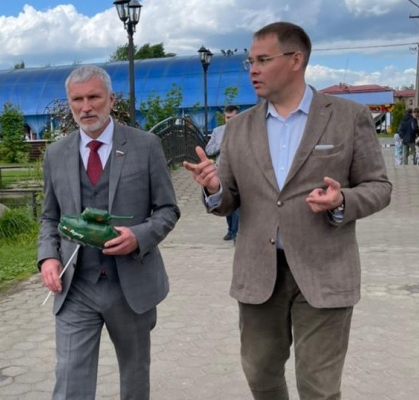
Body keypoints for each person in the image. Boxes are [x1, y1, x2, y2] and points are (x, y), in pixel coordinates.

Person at [183, 22, 391, 399]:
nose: (253, 70)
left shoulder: (348, 116)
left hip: (324, 271)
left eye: (263, 60)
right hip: (259, 274)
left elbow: (379, 187)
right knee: (260, 374)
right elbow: (228, 199)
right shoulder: (239, 128)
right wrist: (213, 188)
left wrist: (343, 201)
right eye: (250, 61)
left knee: (318, 387)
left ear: (296, 60)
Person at [38, 65, 180, 400]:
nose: (86, 107)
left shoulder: (146, 146)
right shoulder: (56, 154)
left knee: (134, 377)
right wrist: (47, 258)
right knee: (70, 379)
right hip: (76, 285)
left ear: (111, 99)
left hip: (130, 285)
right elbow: (49, 217)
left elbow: (168, 210)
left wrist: (138, 236)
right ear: (70, 104)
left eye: (94, 97)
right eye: (77, 100)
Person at [205, 105, 240, 241]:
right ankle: (231, 230)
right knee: (226, 200)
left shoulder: (245, 130)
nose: (230, 120)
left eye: (233, 117)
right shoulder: (217, 131)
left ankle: (236, 233)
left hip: (240, 170)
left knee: (238, 204)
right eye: (227, 118)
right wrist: (222, 143)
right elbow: (209, 150)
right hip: (223, 171)